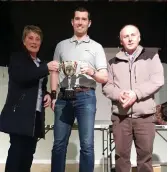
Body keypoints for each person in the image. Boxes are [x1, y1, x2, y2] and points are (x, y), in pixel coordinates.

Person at [50, 7, 108, 172]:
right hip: (62, 97)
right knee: (59, 144)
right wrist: (53, 95)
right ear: (72, 22)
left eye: (84, 19)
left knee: (87, 145)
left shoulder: (96, 47)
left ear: (89, 23)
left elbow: (104, 77)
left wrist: (92, 72)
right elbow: (54, 71)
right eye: (77, 19)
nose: (80, 22)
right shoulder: (61, 46)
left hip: (86, 96)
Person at [102, 25, 164, 172]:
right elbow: (106, 87)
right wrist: (119, 94)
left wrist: (136, 94)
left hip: (145, 117)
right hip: (121, 117)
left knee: (145, 159)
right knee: (121, 159)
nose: (130, 39)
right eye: (126, 36)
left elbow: (157, 80)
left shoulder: (151, 56)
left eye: (133, 35)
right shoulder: (113, 62)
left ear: (139, 37)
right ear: (121, 40)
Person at [0, 25, 59, 172]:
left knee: (28, 154)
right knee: (17, 153)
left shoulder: (39, 62)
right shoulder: (17, 58)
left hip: (34, 117)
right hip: (19, 115)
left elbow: (36, 85)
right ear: (24, 41)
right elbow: (23, 76)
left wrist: (46, 93)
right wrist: (46, 68)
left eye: (37, 39)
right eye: (30, 38)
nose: (34, 42)